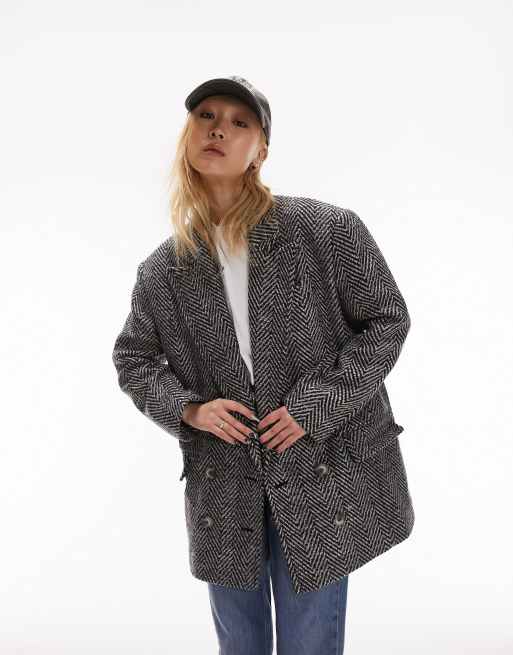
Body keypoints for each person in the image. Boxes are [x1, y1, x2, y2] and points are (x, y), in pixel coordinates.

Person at [112, 75, 415, 655]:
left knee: (310, 643)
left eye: (239, 121)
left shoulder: (325, 230)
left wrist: (311, 407)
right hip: (225, 488)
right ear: (187, 135)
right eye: (205, 116)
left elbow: (387, 320)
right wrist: (190, 410)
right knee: (239, 645)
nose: (218, 129)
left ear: (261, 150)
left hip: (318, 474)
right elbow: (133, 358)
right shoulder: (163, 270)